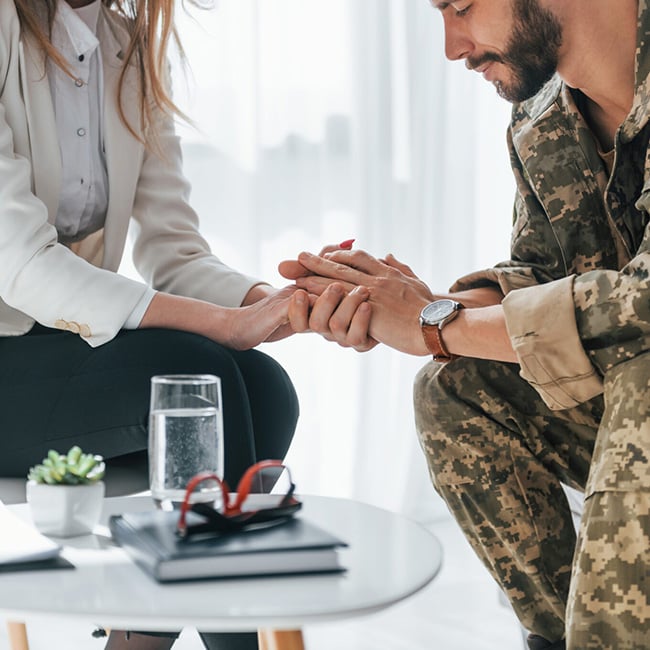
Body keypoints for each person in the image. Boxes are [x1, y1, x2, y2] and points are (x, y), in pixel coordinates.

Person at [281, 1, 650, 649]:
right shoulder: (541, 122)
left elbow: (639, 308)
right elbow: (546, 275)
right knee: (455, 389)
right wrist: (409, 301)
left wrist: (433, 323)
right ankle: (566, 636)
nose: (455, 47)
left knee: (641, 380)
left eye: (461, 7)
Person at [1, 1, 300, 649]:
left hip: (64, 354)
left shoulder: (126, 47)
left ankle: (135, 644)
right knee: (206, 374)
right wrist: (229, 325)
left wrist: (279, 302)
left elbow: (175, 252)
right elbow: (20, 263)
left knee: (266, 386)